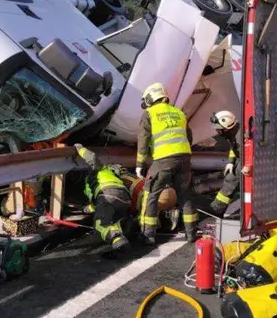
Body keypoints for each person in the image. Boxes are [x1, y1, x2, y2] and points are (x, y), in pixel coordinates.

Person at [135, 82, 198, 244]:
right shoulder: (179, 112)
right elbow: (188, 137)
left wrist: (139, 164)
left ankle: (148, 234)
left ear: (150, 97)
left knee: (151, 194)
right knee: (185, 195)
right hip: (184, 159)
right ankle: (191, 234)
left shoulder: (149, 113)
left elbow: (143, 140)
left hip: (163, 160)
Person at [75, 144, 131, 251]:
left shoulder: (95, 173)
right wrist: (86, 209)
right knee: (114, 220)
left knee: (100, 224)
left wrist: (79, 148)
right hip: (125, 198)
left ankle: (116, 238)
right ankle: (127, 226)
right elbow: (98, 205)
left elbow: (92, 158)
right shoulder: (107, 171)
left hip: (108, 195)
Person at [209, 110, 242, 216]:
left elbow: (246, 154)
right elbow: (234, 149)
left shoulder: (239, 136)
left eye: (218, 129)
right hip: (241, 158)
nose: (217, 132)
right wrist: (231, 162)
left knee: (231, 180)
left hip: (247, 161)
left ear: (227, 127)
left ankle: (217, 208)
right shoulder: (234, 133)